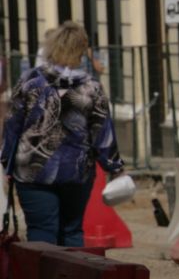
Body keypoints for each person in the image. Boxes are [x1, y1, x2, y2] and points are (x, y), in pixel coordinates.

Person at [1, 22, 125, 245]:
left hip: (32, 171)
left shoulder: (30, 81)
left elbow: (12, 125)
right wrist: (114, 168)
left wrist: (5, 163)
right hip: (77, 171)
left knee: (41, 231)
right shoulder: (92, 88)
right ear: (81, 49)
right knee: (72, 232)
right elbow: (102, 134)